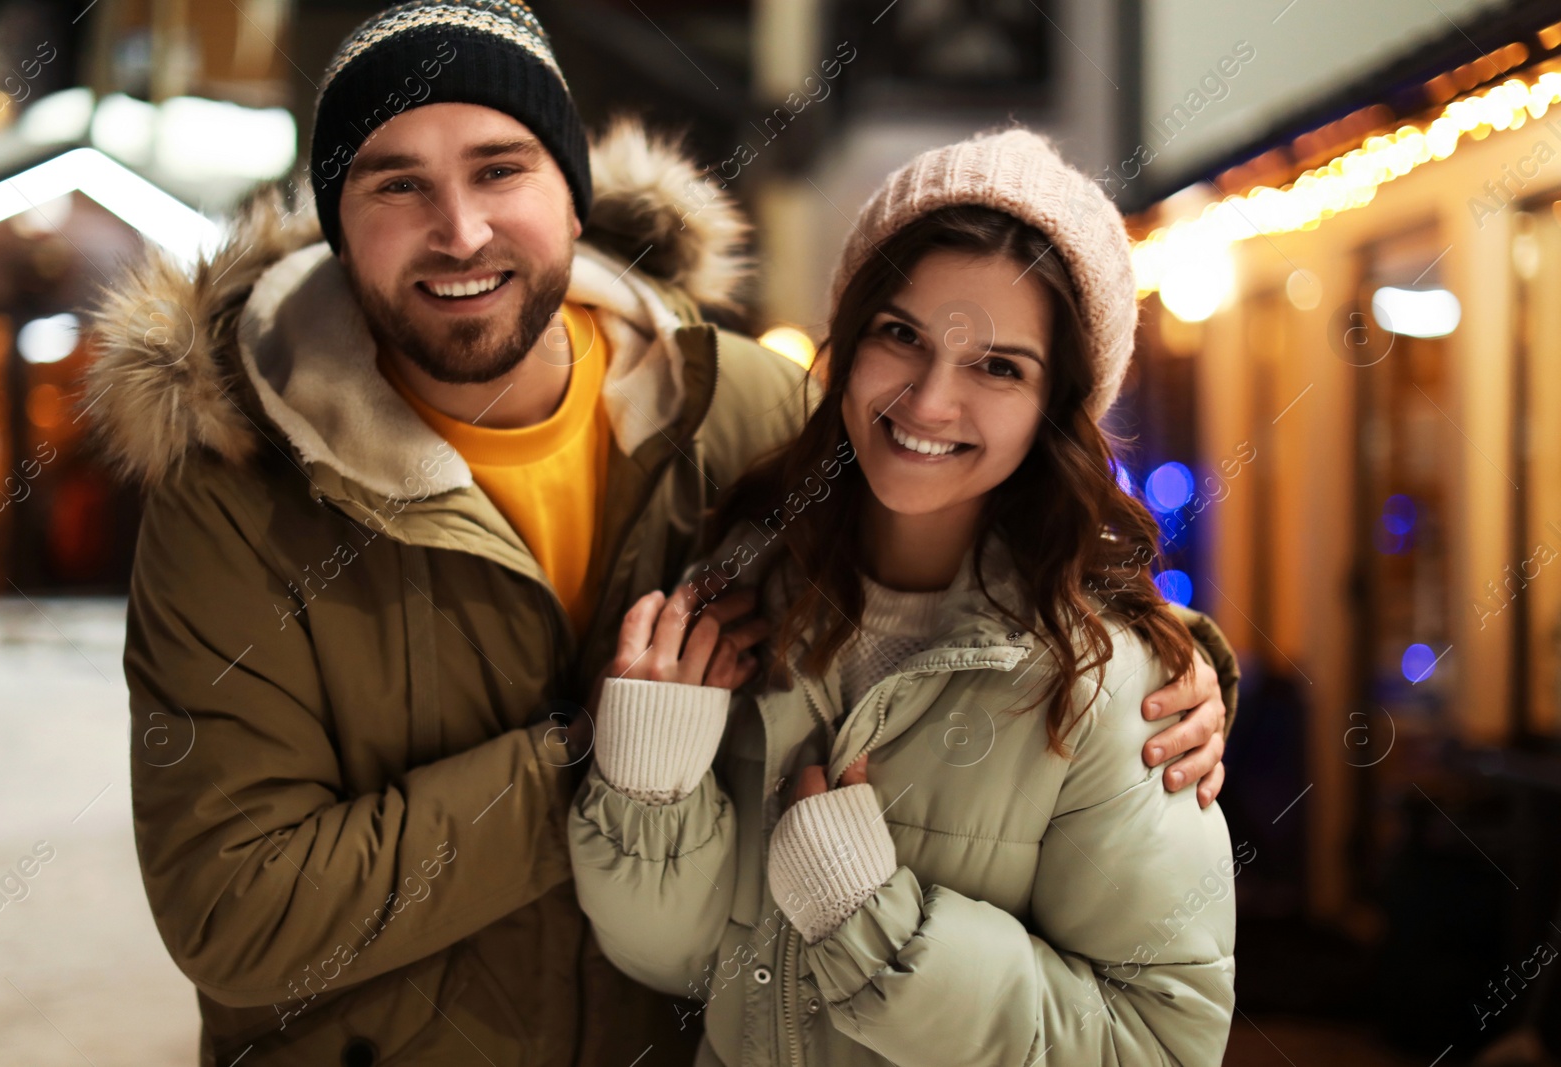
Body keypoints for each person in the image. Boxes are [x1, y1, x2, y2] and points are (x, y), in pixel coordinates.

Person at [85, 1, 1232, 1063]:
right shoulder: (237, 495)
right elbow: (238, 910)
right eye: (395, 185)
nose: (461, 227)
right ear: (333, 223)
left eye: (501, 168)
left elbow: (964, 554)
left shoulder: (739, 411)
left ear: (571, 194)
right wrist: (601, 752)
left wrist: (1169, 660)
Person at [570, 128, 1238, 1066]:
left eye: (998, 366)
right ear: (849, 340)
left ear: (1059, 407)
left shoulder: (1116, 688)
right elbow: (678, 961)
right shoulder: (739, 593)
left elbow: (1164, 1043)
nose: (927, 402)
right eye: (902, 336)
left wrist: (873, 929)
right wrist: (647, 787)